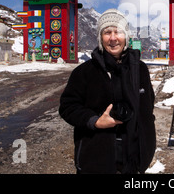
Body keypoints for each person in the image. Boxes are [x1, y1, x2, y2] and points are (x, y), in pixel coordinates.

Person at [59, 9, 156, 174]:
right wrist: (95, 121)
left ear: (125, 36)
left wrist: (147, 145)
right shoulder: (84, 72)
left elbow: (148, 106)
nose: (113, 38)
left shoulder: (140, 69)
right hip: (96, 159)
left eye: (118, 31)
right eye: (107, 32)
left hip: (134, 160)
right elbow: (68, 107)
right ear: (100, 37)